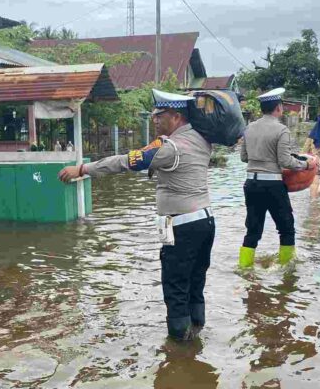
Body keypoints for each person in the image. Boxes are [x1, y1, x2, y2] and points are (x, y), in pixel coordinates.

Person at [58, 89, 214, 341]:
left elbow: (124, 162)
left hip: (181, 227)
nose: (154, 119)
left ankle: (179, 352)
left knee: (175, 288)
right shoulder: (202, 139)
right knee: (196, 283)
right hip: (206, 222)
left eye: (158, 114)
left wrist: (82, 168)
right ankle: (196, 337)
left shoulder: (168, 146)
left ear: (175, 116)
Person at [239, 88, 311, 268]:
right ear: (278, 108)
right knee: (286, 228)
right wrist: (306, 165)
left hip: (251, 184)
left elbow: (244, 157)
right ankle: (287, 271)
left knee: (253, 230)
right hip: (272, 186)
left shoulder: (249, 128)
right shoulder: (281, 130)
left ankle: (244, 269)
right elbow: (286, 161)